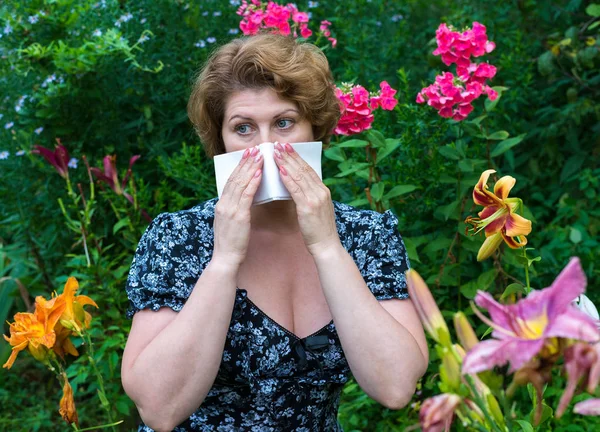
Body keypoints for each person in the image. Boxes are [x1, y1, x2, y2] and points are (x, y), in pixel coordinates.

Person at [121, 33, 428, 432]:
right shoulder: (179, 238)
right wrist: (224, 260)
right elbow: (158, 410)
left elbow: (396, 386)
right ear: (222, 142)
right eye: (244, 128)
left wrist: (327, 246)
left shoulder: (366, 236)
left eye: (284, 123)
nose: (265, 148)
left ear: (315, 130)